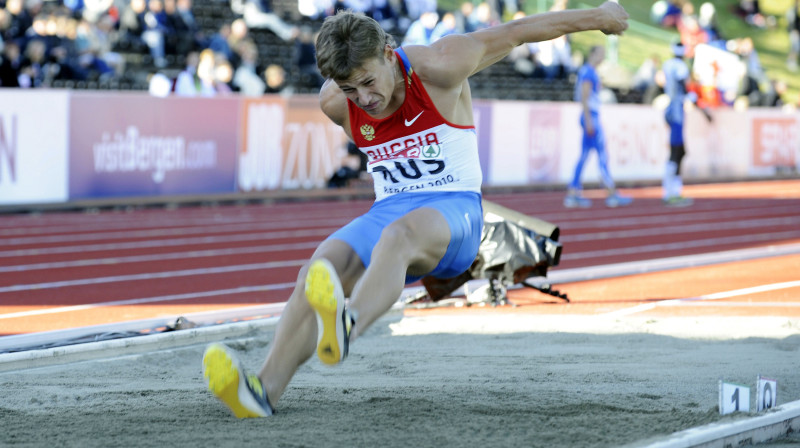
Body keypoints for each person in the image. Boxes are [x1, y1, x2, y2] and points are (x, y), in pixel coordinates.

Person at [202, 3, 630, 418]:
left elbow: (516, 33)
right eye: (351, 89)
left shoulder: (441, 64)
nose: (364, 99)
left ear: (390, 54)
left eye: (369, 82)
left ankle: (346, 325)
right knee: (320, 268)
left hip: (454, 210)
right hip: (390, 208)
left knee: (398, 238)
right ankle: (261, 391)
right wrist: (352, 93)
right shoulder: (336, 102)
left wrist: (599, 16)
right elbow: (354, 101)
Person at [564, 45, 632, 209]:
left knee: (585, 155)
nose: (603, 57)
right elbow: (585, 97)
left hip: (590, 116)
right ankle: (611, 192)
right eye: (601, 54)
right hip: (591, 117)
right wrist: (588, 120)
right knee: (601, 155)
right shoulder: (588, 72)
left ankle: (574, 191)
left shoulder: (589, 72)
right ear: (593, 54)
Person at [661, 42, 708, 207]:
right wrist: (703, 109)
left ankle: (674, 190)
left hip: (671, 110)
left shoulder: (667, 64)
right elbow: (684, 88)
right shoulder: (680, 66)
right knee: (677, 152)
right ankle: (670, 192)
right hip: (676, 112)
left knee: (679, 152)